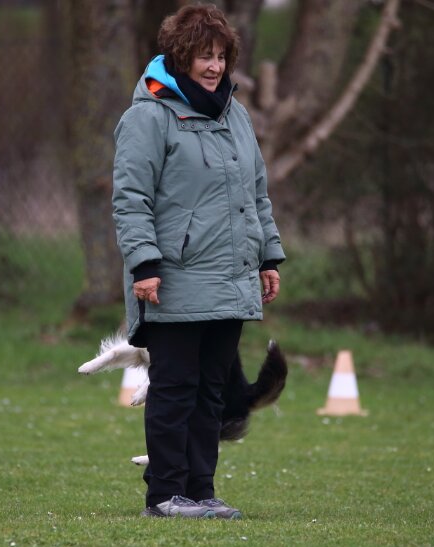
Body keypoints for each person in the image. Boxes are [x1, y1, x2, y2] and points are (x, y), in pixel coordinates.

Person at [112, 4, 285, 519]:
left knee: (212, 391)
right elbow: (131, 199)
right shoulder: (147, 116)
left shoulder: (236, 115)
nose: (214, 66)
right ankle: (165, 495)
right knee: (175, 389)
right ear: (180, 56)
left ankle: (201, 492)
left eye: (221, 57)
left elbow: (256, 195)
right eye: (204, 56)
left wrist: (268, 256)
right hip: (173, 281)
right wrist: (145, 265)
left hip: (231, 280)